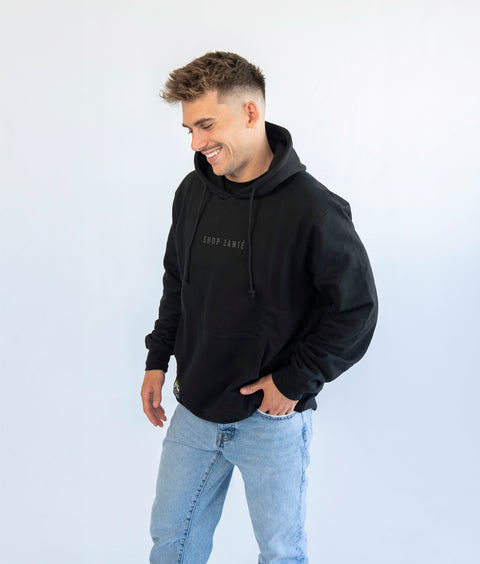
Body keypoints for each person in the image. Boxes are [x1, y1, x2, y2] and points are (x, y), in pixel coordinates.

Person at [141, 51, 378, 564]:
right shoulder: (192, 193)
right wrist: (157, 358)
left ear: (251, 112)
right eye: (189, 129)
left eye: (206, 125)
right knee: (171, 545)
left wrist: (293, 382)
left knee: (280, 554)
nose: (196, 143)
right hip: (195, 408)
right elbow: (177, 281)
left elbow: (356, 312)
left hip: (270, 421)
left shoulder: (315, 209)